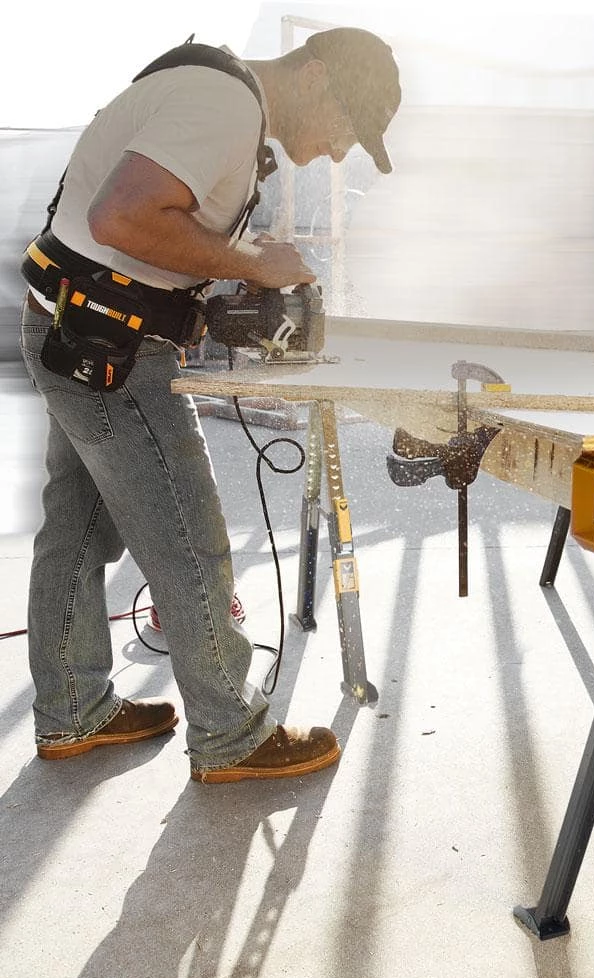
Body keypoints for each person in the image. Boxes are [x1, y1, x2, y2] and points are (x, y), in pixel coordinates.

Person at [18, 27, 401, 783]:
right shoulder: (223, 103)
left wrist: (213, 279)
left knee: (79, 525)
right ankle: (231, 732)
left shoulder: (216, 96)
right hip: (109, 351)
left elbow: (140, 222)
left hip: (75, 326)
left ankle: (71, 711)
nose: (336, 153)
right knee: (187, 532)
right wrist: (250, 259)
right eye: (347, 129)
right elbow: (123, 217)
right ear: (318, 77)